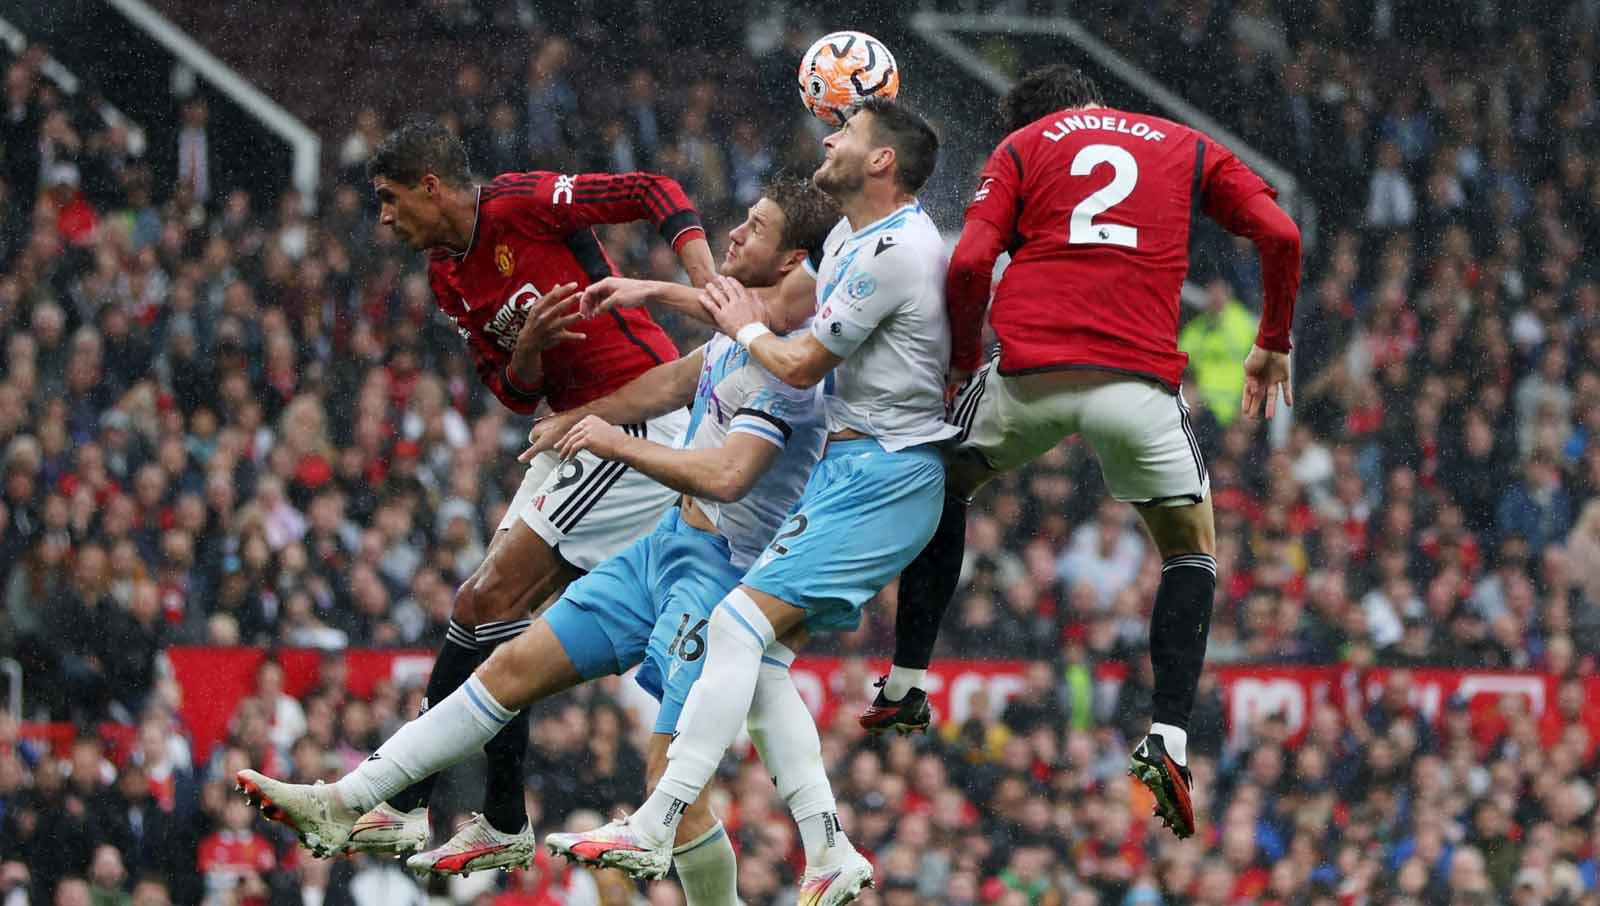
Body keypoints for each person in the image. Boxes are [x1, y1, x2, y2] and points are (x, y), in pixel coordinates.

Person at [237, 179, 859, 903]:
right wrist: (581, 415)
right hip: (661, 551)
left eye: (753, 229)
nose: (732, 236)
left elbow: (725, 475)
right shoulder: (737, 335)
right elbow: (666, 386)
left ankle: (803, 855)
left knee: (672, 785)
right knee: (506, 667)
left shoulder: (792, 378)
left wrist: (609, 439)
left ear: (791, 264)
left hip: (723, 582)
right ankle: (348, 801)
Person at [544, 97, 952, 906]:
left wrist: (742, 334)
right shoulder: (848, 237)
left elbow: (790, 361)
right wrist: (653, 289)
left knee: (736, 626)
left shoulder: (899, 251)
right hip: (856, 468)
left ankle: (659, 819)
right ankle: (828, 849)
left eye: (849, 133)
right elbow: (759, 314)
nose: (829, 136)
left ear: (882, 162)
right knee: (757, 660)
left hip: (888, 470)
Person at [878, 65, 1302, 841]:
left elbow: (970, 264)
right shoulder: (1186, 145)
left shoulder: (1022, 147)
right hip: (1136, 388)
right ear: (1093, 103)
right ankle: (1169, 732)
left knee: (944, 484)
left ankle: (907, 678)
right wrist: (1270, 341)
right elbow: (1282, 234)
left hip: (1031, 375)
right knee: (1190, 552)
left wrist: (965, 359)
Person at [345, 119, 716, 854]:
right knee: (481, 610)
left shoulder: (525, 203)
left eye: (390, 199)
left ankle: (409, 800)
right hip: (567, 426)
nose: (384, 218)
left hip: (638, 419)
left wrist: (710, 287)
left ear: (431, 185)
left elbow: (652, 189)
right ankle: (505, 819)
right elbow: (511, 391)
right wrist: (529, 350)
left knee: (490, 601)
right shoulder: (445, 275)